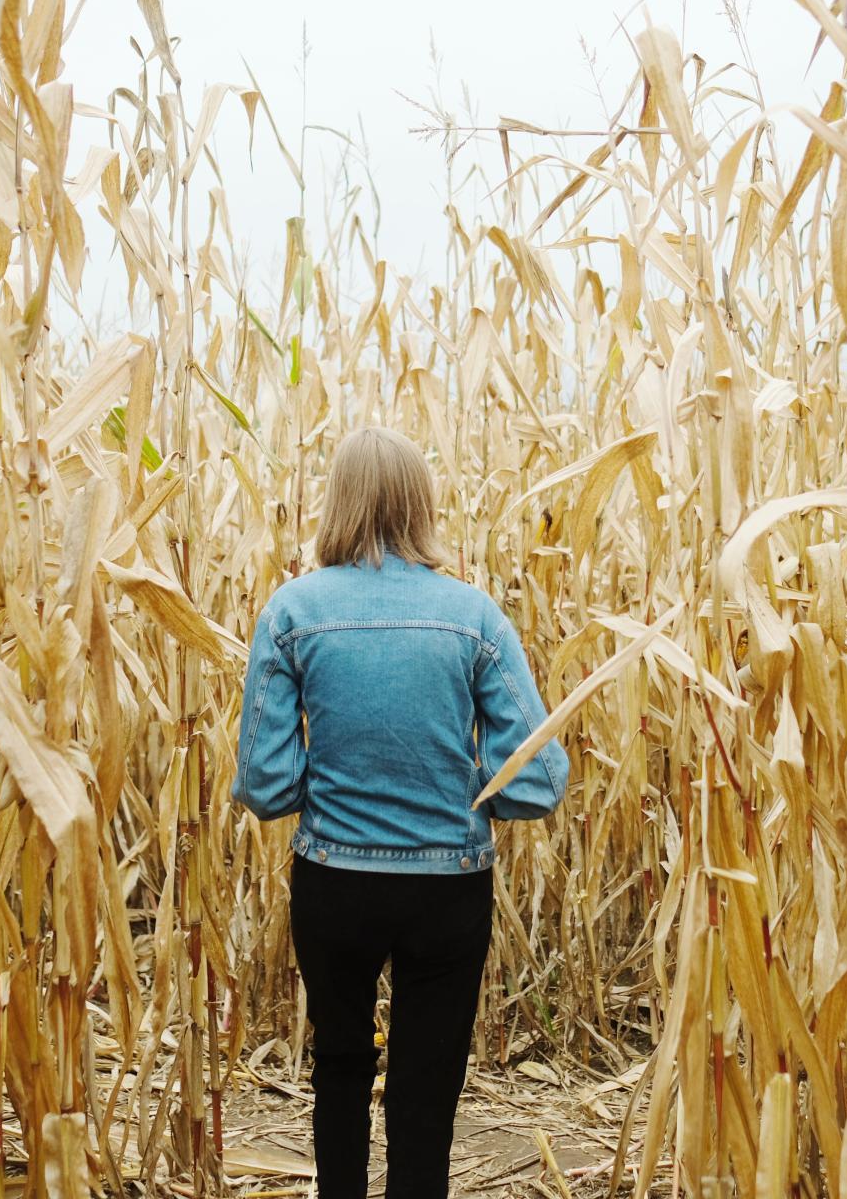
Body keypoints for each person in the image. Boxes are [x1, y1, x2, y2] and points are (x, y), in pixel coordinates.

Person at [231, 426, 569, 1199]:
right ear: (422, 503)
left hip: (333, 883)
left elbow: (264, 782)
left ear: (336, 501)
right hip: (448, 886)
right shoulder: (473, 615)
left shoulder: (293, 611)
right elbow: (540, 778)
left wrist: (336, 780)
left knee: (340, 1066)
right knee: (427, 1086)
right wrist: (460, 782)